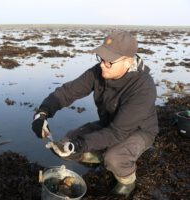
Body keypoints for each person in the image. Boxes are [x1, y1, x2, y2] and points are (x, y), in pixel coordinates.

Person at [32, 31, 158, 197]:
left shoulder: (143, 88)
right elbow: (67, 92)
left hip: (139, 130)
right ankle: (98, 156)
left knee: (114, 157)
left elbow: (117, 132)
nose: (102, 64)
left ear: (128, 62)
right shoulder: (100, 71)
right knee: (65, 143)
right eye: (101, 58)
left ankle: (127, 180)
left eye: (109, 61)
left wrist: (80, 144)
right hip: (110, 124)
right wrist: (42, 113)